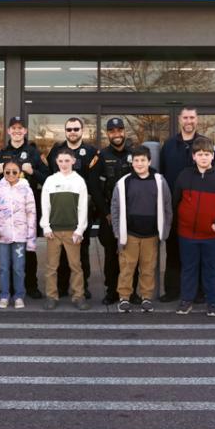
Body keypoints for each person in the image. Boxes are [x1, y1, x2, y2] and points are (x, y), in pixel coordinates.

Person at [159, 106, 215, 303]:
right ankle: (172, 290)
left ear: (197, 119)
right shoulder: (169, 145)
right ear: (179, 120)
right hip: (175, 208)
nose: (189, 121)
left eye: (192, 117)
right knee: (174, 251)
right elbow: (160, 174)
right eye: (185, 117)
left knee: (199, 253)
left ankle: (200, 291)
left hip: (200, 211)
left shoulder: (206, 144)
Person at [172, 137, 215, 317]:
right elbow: (175, 201)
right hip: (187, 234)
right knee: (189, 268)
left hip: (212, 235)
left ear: (212, 156)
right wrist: (180, 222)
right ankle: (186, 300)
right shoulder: (184, 175)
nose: (203, 157)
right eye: (199, 154)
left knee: (210, 268)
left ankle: (213, 301)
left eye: (207, 154)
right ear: (193, 156)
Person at [0, 116, 49, 299]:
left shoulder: (33, 152)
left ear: (25, 131)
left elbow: (47, 178)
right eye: (13, 128)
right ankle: (8, 288)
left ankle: (31, 285)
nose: (16, 131)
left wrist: (33, 171)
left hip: (26, 209)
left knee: (28, 248)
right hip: (6, 213)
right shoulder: (0, 154)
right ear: (8, 131)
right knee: (7, 251)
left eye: (20, 128)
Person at [110, 146, 172, 313]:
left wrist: (164, 231)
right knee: (127, 267)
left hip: (151, 234)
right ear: (132, 162)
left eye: (143, 160)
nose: (139, 163)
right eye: (136, 160)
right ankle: (124, 298)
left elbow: (167, 207)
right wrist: (118, 232)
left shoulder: (160, 181)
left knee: (148, 267)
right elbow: (115, 209)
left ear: (149, 161)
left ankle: (146, 297)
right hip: (129, 234)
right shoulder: (124, 182)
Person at [46, 117, 98, 301]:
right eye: (69, 129)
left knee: (82, 251)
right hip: (60, 210)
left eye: (76, 129)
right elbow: (50, 177)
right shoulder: (56, 151)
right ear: (65, 131)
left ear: (82, 130)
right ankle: (60, 286)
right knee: (59, 255)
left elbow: (94, 181)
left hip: (81, 210)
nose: (73, 132)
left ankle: (82, 287)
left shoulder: (91, 151)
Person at [90, 117, 138, 305]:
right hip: (109, 215)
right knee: (111, 255)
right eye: (112, 131)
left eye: (119, 130)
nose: (116, 134)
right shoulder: (101, 156)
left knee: (131, 255)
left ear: (124, 132)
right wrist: (106, 212)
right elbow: (94, 187)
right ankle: (112, 291)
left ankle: (131, 292)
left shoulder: (134, 154)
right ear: (107, 134)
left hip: (132, 215)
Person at [40, 148, 90, 311]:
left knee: (75, 266)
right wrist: (46, 226)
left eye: (67, 160)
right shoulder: (50, 180)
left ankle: (78, 296)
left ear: (73, 161)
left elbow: (83, 207)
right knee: (51, 266)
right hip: (53, 231)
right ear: (56, 162)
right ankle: (51, 296)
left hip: (72, 231)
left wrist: (80, 230)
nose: (63, 164)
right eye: (60, 161)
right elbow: (45, 206)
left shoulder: (79, 181)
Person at [0, 159, 37, 309]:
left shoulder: (26, 190)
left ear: (20, 173)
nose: (11, 174)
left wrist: (31, 238)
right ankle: (4, 295)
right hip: (2, 236)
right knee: (4, 267)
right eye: (7, 171)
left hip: (20, 237)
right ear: (3, 172)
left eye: (15, 171)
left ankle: (19, 295)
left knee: (19, 268)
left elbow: (31, 214)